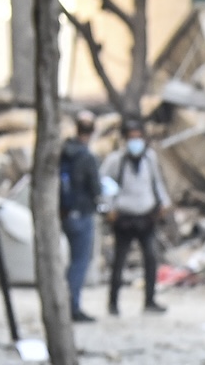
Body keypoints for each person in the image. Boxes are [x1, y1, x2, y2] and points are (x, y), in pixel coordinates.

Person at [102, 114, 172, 315]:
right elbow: (106, 185)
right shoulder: (115, 160)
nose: (136, 141)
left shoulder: (149, 158)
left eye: (138, 137)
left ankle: (149, 300)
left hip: (146, 216)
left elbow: (157, 182)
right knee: (119, 261)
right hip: (124, 217)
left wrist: (163, 203)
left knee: (151, 258)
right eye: (131, 137)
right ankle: (113, 302)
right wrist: (109, 208)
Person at [60, 110, 103, 323]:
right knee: (80, 262)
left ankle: (66, 302)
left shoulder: (63, 152)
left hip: (65, 216)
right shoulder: (86, 156)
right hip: (82, 214)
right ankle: (72, 306)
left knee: (73, 261)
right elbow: (96, 189)